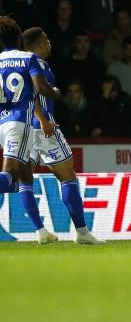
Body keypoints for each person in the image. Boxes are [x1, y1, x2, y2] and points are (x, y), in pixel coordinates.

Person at [21, 27, 103, 244]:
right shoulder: (34, 63)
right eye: (47, 39)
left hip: (22, 129)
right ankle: (82, 232)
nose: (50, 43)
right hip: (42, 128)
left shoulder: (17, 63)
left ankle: (40, 232)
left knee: (24, 181)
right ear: (39, 43)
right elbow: (33, 93)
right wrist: (42, 119)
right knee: (68, 176)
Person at [0, 16, 61, 245]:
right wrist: (55, 92)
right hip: (19, 123)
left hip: (1, 124)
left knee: (25, 177)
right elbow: (41, 87)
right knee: (8, 180)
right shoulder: (29, 59)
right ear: (19, 37)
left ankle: (41, 231)